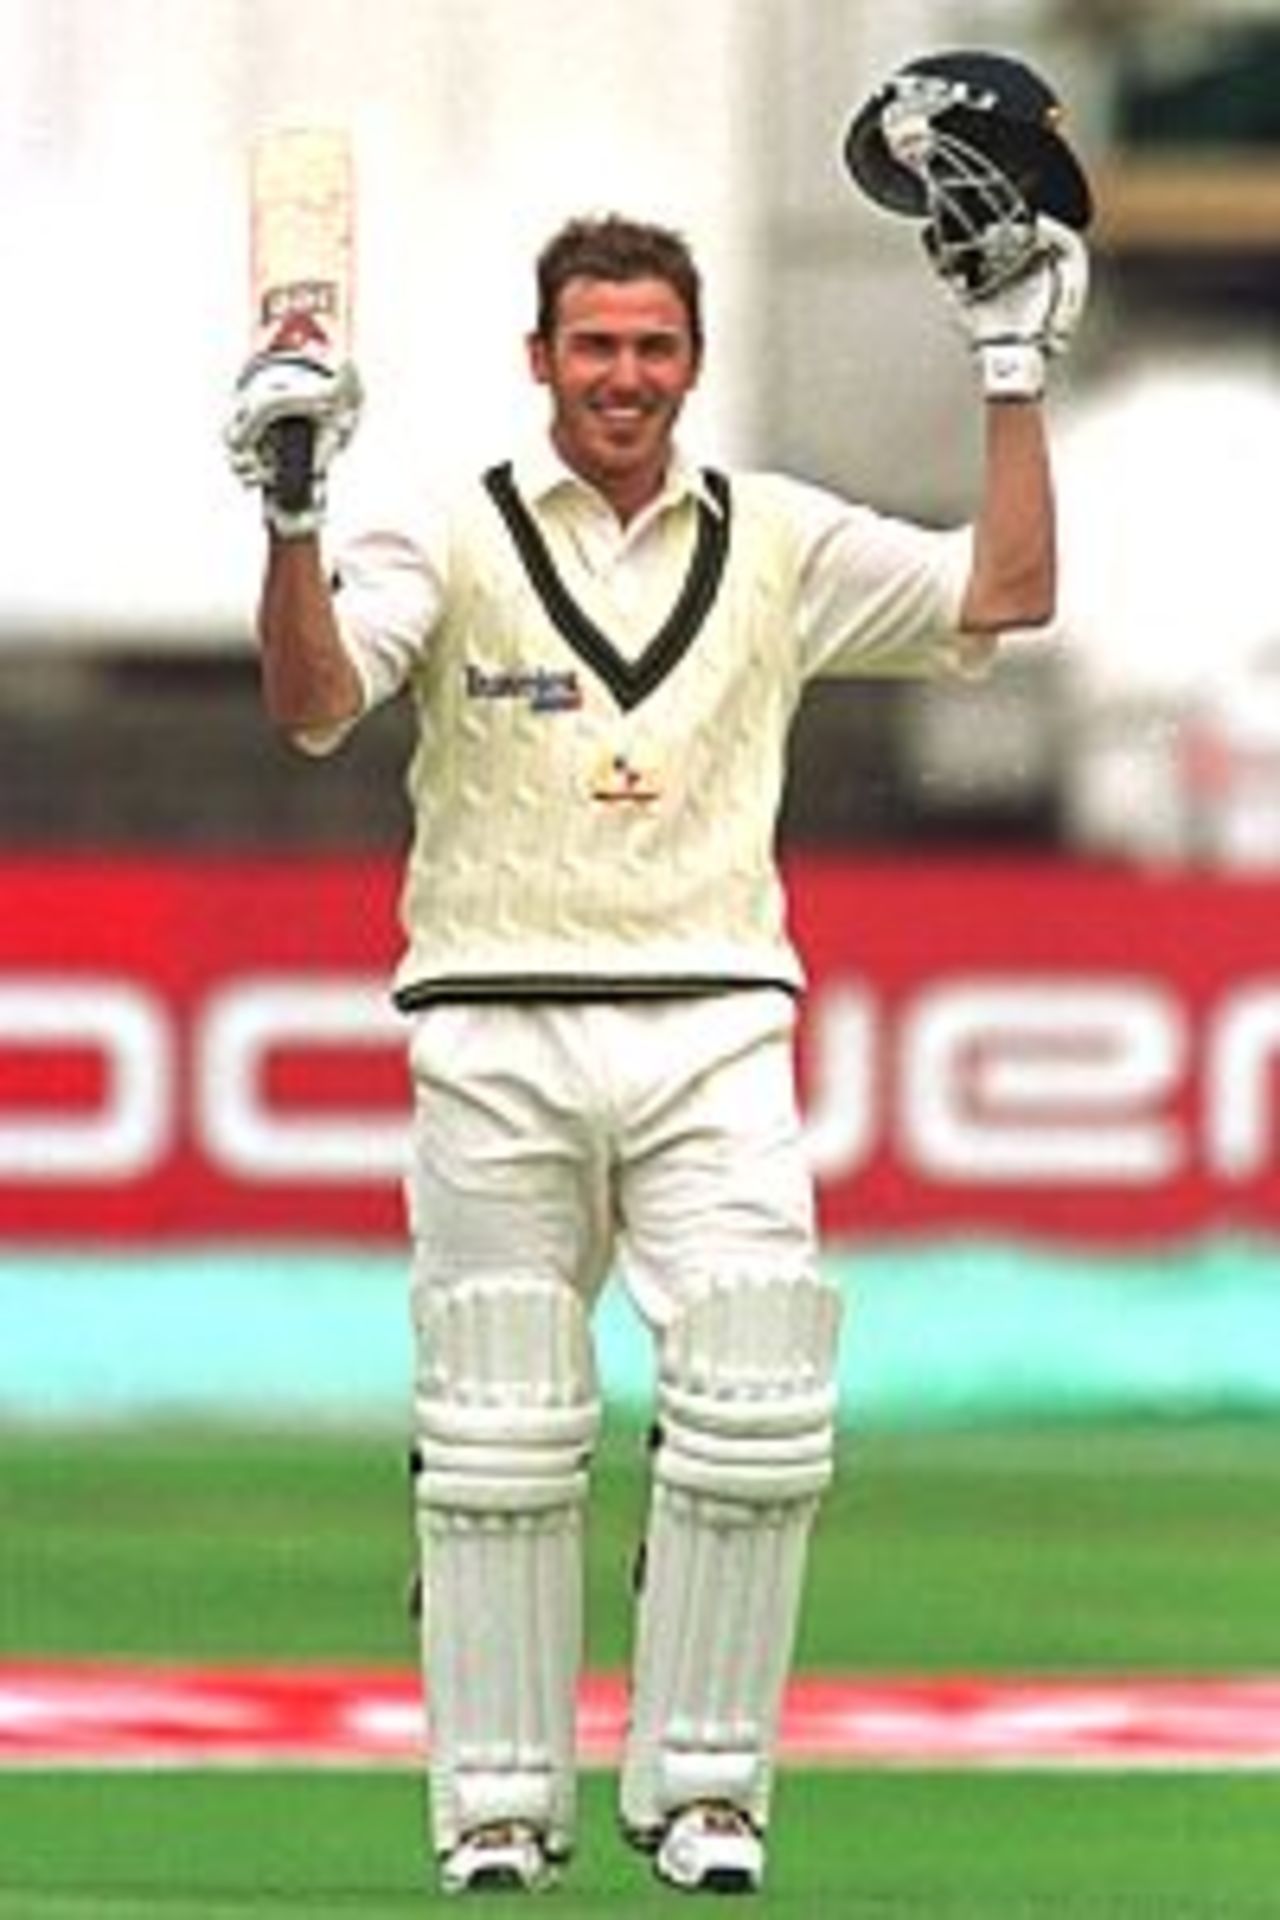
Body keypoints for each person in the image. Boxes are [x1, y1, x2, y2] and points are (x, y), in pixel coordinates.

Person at [226, 202, 1086, 1894]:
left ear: (692, 362)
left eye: (655, 347)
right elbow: (312, 698)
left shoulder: (772, 536)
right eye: (595, 346)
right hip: (491, 1025)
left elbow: (1008, 590)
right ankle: (496, 1808)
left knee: (759, 1397)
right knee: (495, 1428)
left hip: (711, 1023)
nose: (625, 377)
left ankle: (706, 1792)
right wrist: (294, 513)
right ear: (540, 360)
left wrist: (1012, 370)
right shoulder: (450, 536)